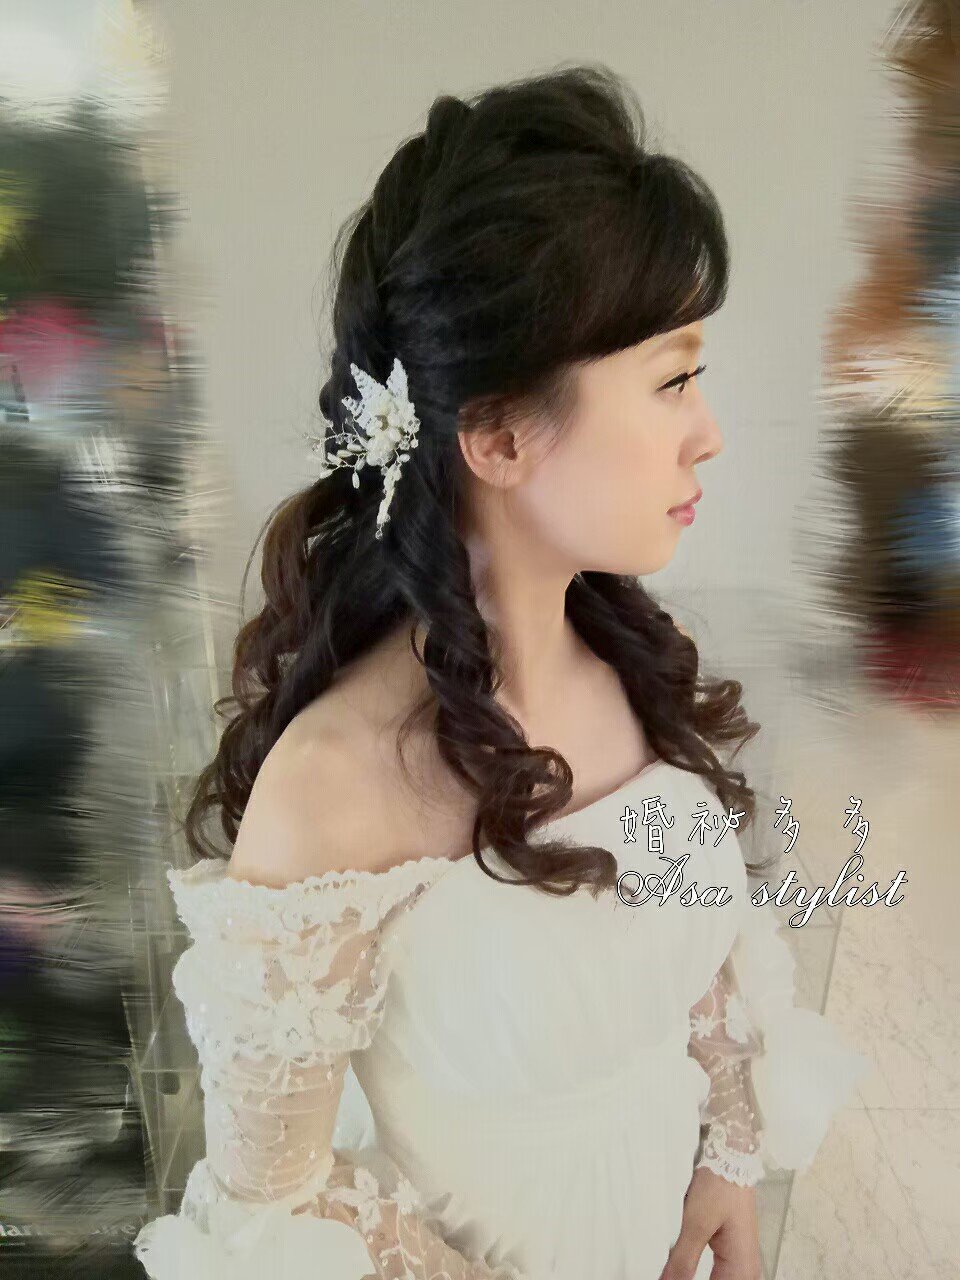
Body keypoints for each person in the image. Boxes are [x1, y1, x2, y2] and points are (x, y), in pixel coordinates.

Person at [133, 64, 870, 1280]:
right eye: (673, 378)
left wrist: (729, 1150)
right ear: (497, 435)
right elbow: (272, 1208)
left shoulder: (624, 649)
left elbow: (687, 935)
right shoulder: (336, 785)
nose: (709, 430)